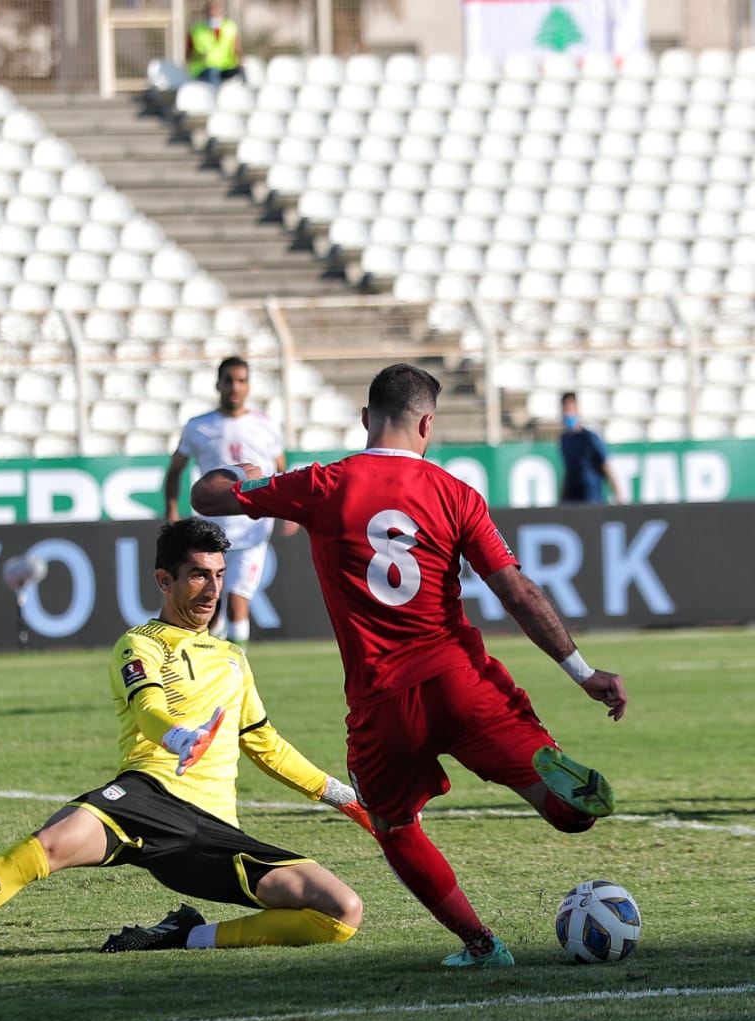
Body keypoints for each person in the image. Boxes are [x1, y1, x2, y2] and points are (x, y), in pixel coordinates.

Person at [191, 363, 629, 968]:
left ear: (365, 419)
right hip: (460, 681)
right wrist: (583, 672)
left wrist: (250, 475)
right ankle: (559, 796)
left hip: (382, 703)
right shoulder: (457, 494)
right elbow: (519, 593)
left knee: (394, 825)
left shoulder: (322, 483)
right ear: (427, 424)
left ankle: (481, 945)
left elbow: (206, 496)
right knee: (570, 815)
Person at [0, 517, 370, 978]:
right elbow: (148, 707)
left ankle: (183, 936)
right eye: (197, 575)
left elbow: (265, 745)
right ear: (164, 580)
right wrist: (179, 736)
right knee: (45, 847)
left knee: (341, 912)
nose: (211, 590)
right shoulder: (140, 643)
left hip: (211, 834)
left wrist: (346, 799)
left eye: (218, 575)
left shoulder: (233, 657)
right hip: (148, 798)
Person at [162, 356, 296, 646]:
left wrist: (290, 512)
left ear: (248, 386)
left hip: (252, 530)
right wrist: (171, 508)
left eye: (241, 381)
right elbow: (175, 470)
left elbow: (281, 471)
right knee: (212, 607)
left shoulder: (266, 425)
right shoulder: (199, 426)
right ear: (218, 384)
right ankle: (217, 657)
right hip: (212, 532)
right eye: (229, 380)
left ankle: (237, 666)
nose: (234, 387)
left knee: (237, 599)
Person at [558, 392, 620, 504]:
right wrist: (562, 498)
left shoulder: (589, 438)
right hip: (571, 496)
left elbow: (605, 465)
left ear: (577, 410)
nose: (567, 414)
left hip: (590, 496)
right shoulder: (564, 439)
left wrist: (618, 494)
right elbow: (567, 470)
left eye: (569, 410)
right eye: (565, 410)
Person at [187, 1, 243, 85]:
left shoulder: (230, 27)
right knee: (213, 73)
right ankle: (214, 92)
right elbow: (188, 56)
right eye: (211, 14)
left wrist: (240, 62)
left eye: (216, 13)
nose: (213, 16)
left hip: (226, 68)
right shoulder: (196, 30)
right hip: (203, 69)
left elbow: (238, 50)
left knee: (241, 74)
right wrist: (198, 57)